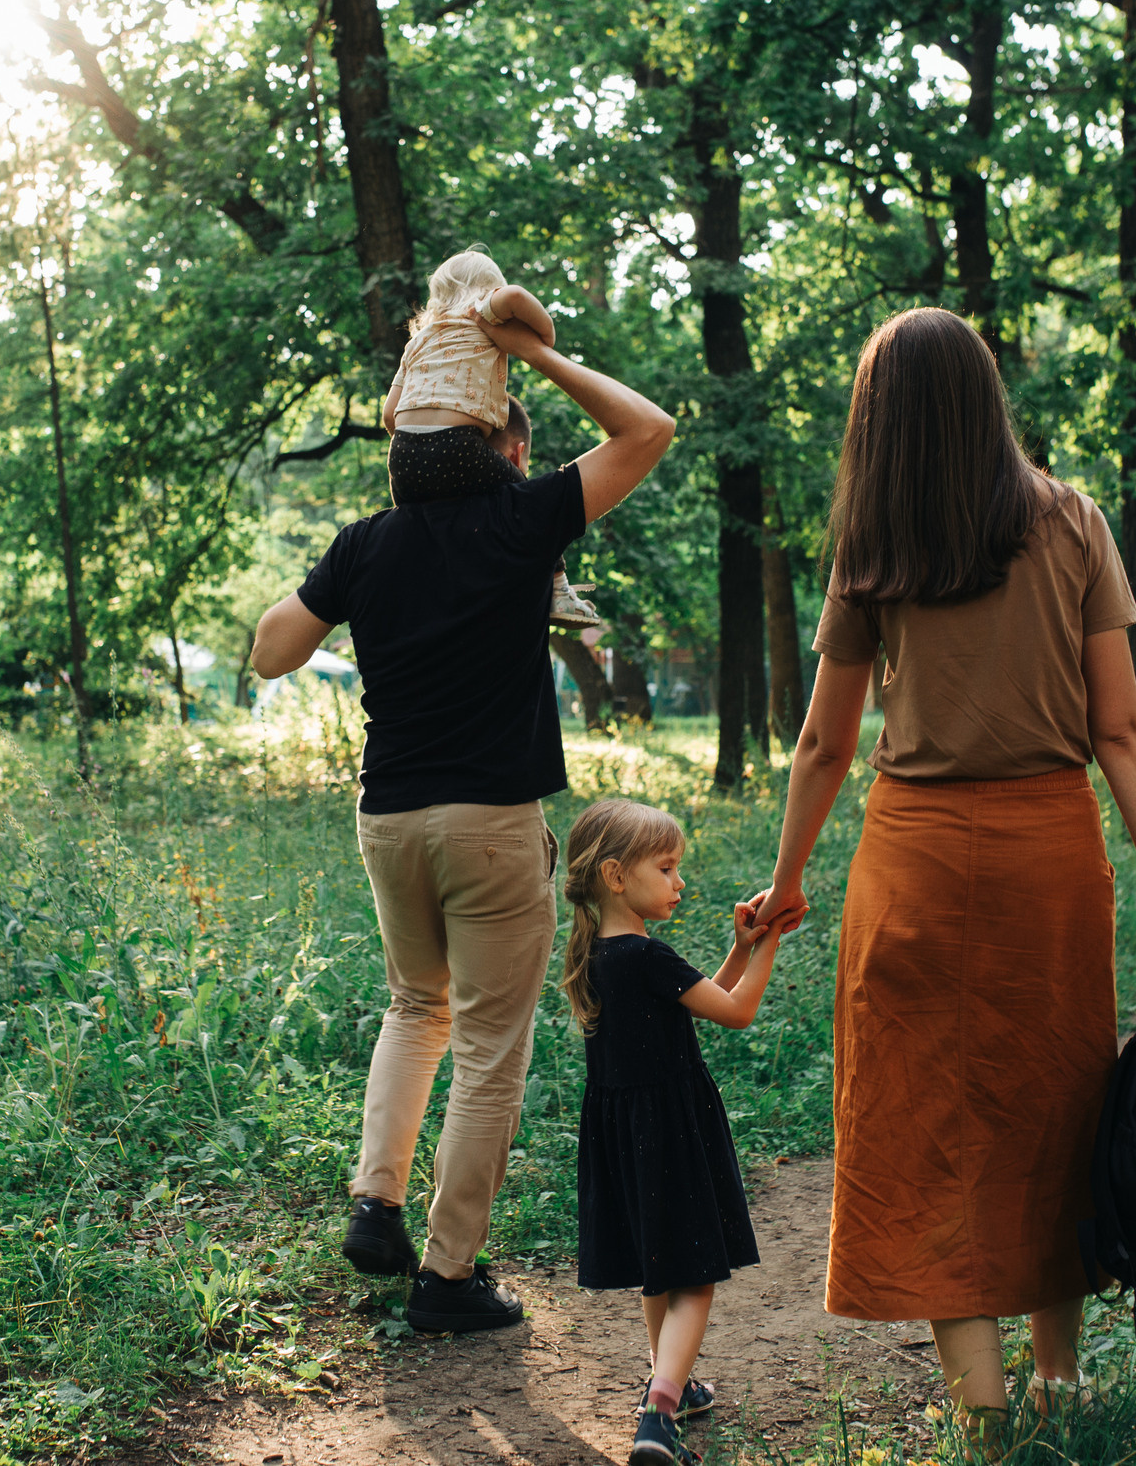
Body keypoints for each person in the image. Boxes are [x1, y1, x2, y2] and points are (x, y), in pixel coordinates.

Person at [749, 308, 1136, 1456]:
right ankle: (1059, 1386)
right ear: (986, 397)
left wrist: (787, 880)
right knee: (1055, 1109)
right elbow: (1123, 728)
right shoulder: (1073, 521)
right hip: (1048, 862)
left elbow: (824, 744)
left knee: (923, 1124)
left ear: (880, 418)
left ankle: (982, 1415)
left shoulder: (874, 545)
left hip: (909, 862)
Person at [249, 313, 674, 1334]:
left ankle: (376, 1201)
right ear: (492, 437)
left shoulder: (364, 544)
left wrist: (342, 587)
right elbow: (648, 430)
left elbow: (268, 652)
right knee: (487, 1047)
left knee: (414, 1006)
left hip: (389, 818)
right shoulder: (523, 519)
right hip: (490, 821)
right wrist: (534, 354)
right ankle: (447, 1277)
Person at [560, 798, 780, 1466]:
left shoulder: (597, 954)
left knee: (660, 1270)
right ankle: (658, 1414)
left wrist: (740, 948)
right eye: (666, 867)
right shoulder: (648, 955)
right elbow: (736, 1011)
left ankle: (673, 1386)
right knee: (693, 1277)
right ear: (615, 875)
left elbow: (703, 996)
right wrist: (770, 941)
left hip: (624, 1136)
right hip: (671, 1131)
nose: (678, 881)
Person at [383, 249, 601, 628]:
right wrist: (545, 335)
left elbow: (390, 415)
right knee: (529, 504)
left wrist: (419, 443)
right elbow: (515, 296)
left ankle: (426, 592)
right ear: (488, 288)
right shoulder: (483, 311)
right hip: (457, 445)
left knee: (424, 528)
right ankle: (559, 589)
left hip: (401, 459)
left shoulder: (416, 343)